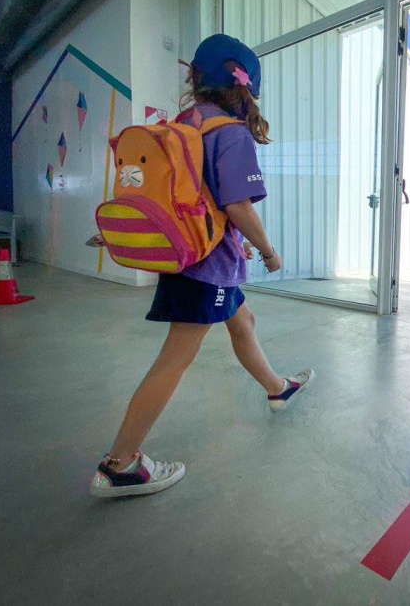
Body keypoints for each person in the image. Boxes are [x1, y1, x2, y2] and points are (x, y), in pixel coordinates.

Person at [90, 34, 314, 499]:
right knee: (176, 357)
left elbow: (196, 197)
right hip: (206, 267)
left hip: (189, 255)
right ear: (245, 86)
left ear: (196, 79)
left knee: (243, 320)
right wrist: (268, 251)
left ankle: (278, 389)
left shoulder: (182, 124)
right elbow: (237, 205)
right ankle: (121, 464)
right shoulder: (230, 132)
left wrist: (234, 242)